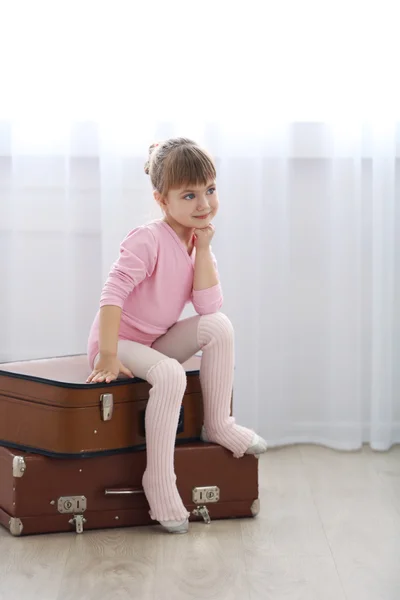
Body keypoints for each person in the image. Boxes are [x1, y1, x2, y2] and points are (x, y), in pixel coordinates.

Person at [86, 137, 267, 534]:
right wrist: (109, 356)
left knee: (220, 326)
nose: (204, 204)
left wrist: (203, 251)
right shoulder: (148, 239)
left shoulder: (197, 241)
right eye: (189, 195)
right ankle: (159, 479)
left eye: (210, 190)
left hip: (155, 339)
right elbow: (112, 293)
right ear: (162, 200)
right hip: (119, 342)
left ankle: (218, 424)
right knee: (169, 374)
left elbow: (208, 308)